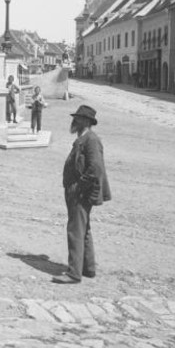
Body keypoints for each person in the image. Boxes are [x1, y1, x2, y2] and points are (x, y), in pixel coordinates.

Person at [54, 104, 111, 284]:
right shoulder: (83, 138)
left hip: (81, 193)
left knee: (75, 230)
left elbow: (96, 168)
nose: (74, 121)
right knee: (83, 230)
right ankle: (88, 268)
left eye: (77, 119)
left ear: (85, 121)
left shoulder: (91, 140)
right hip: (77, 190)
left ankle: (73, 273)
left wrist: (79, 186)